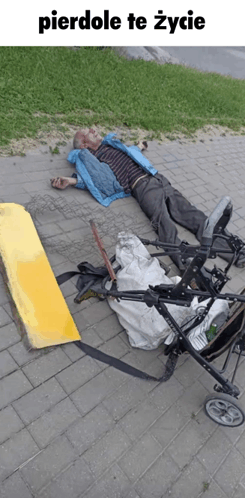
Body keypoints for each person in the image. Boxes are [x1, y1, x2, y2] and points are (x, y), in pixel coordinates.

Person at [51, 128, 245, 270]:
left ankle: (236, 254)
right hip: (142, 187)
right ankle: (193, 271)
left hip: (159, 179)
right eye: (88, 133)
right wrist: (70, 181)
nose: (94, 129)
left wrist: (139, 146)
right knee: (166, 227)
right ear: (84, 145)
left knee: (196, 217)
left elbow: (131, 153)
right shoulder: (91, 159)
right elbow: (94, 179)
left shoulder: (112, 145)